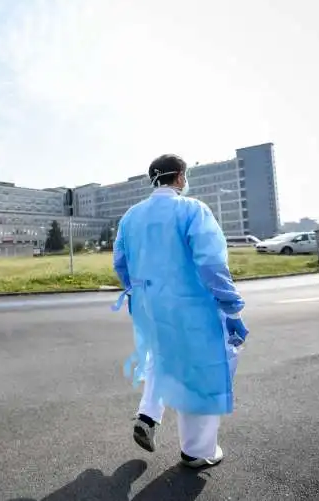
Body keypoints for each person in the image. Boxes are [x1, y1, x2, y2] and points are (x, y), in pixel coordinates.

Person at [111, 154, 249, 468]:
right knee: (201, 372)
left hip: (149, 307)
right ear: (180, 177)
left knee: (163, 357)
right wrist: (233, 308)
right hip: (192, 308)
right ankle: (197, 451)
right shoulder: (192, 211)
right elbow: (212, 264)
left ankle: (148, 413)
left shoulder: (131, 216)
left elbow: (120, 262)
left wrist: (138, 291)